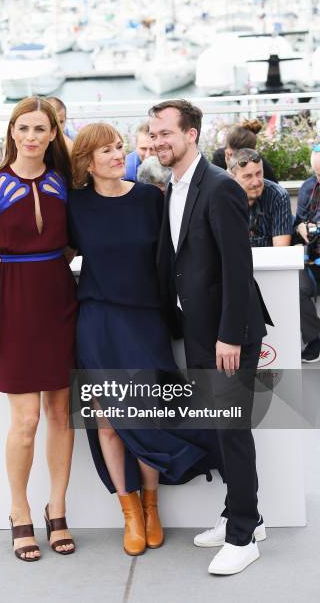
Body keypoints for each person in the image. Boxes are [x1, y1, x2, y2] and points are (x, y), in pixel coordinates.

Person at [67, 122, 220, 558]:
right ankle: (130, 512)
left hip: (146, 321)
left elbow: (181, 250)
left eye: (120, 147)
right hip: (98, 321)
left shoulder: (150, 199)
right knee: (109, 422)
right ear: (87, 162)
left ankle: (152, 507)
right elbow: (49, 249)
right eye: (107, 151)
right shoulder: (73, 206)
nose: (119, 155)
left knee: (147, 415)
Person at [149, 99, 272, 576]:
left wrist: (230, 336)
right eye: (153, 134)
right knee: (220, 430)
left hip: (228, 336)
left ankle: (244, 536)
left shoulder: (220, 187)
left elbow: (239, 269)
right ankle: (246, 515)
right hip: (200, 332)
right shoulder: (172, 187)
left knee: (232, 431)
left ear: (191, 134)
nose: (158, 141)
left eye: (166, 133)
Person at [0, 96, 78, 561]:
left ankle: (59, 507)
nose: (31, 137)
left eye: (40, 129)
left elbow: (76, 236)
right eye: (23, 128)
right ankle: (18, 509)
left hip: (58, 298)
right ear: (12, 132)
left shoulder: (63, 180)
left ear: (53, 135)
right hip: (11, 300)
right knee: (25, 420)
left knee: (60, 414)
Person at [227, 148, 293, 247]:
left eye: (259, 173)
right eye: (248, 176)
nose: (256, 182)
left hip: (269, 261)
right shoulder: (222, 197)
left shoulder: (278, 196)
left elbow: (280, 252)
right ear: (233, 178)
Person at [294, 145, 320, 363]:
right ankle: (315, 339)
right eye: (317, 174)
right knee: (297, 288)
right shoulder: (307, 187)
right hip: (311, 258)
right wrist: (301, 226)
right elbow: (299, 219)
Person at [212, 119, 278, 182]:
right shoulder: (220, 157)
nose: (235, 160)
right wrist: (229, 171)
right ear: (227, 152)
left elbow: (276, 189)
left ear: (252, 152)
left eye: (242, 159)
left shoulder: (259, 163)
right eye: (231, 155)